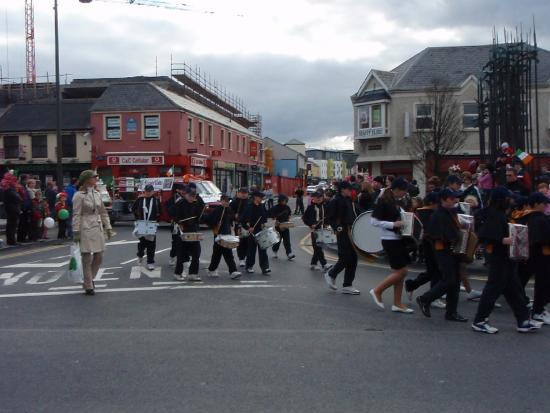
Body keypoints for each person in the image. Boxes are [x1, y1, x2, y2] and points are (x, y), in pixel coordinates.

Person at [471, 187, 542, 333]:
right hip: (498, 257)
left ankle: (523, 320)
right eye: (508, 198)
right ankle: (479, 320)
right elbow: (484, 235)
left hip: (505, 257)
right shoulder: (493, 214)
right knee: (493, 289)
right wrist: (503, 240)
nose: (511, 201)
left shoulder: (499, 213)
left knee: (514, 289)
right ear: (500, 200)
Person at [416, 188, 468, 322]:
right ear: (443, 200)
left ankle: (451, 312)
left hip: (452, 251)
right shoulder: (438, 214)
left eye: (455, 198)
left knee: (455, 282)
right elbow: (434, 235)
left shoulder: (450, 212)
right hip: (444, 252)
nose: (455, 200)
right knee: (449, 280)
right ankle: (424, 299)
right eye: (452, 199)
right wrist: (454, 237)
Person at [369, 178, 414, 313]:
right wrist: (393, 224)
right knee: (402, 271)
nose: (405, 193)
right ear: (397, 189)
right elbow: (373, 221)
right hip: (390, 239)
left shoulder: (395, 201)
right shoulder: (383, 200)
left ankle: (397, 303)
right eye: (404, 191)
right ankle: (377, 290)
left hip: (397, 238)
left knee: (400, 272)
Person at [72, 170, 113, 295]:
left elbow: (103, 212)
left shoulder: (97, 193)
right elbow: (76, 214)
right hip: (85, 226)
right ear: (86, 179)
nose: (96, 178)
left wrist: (108, 226)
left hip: (97, 226)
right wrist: (76, 231)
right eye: (94, 177)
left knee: (99, 256)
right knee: (86, 257)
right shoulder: (79, 195)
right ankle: (89, 285)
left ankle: (89, 279)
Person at [405, 192, 444, 308]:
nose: (439, 205)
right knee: (436, 270)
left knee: (433, 271)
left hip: (429, 245)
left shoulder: (425, 212)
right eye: (437, 203)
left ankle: (411, 285)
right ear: (432, 203)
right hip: (430, 245)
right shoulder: (425, 213)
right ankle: (432, 296)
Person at [324, 181, 361, 295]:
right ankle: (331, 274)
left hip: (351, 231)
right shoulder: (335, 201)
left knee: (354, 258)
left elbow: (356, 213)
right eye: (349, 189)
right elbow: (330, 217)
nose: (351, 191)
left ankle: (347, 285)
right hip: (342, 231)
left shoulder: (349, 200)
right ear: (342, 189)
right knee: (345, 257)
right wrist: (337, 227)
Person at [525, 192, 550, 325]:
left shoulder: (528, 217)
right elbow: (541, 238)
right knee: (543, 284)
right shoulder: (539, 219)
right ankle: (538, 312)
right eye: (544, 203)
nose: (546, 205)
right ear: (536, 204)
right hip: (541, 256)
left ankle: (536, 309)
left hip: (534, 255)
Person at [206, 194, 241, 279]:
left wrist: (235, 218)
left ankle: (214, 270)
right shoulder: (217, 210)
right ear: (221, 201)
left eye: (228, 201)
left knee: (221, 253)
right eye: (225, 201)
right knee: (223, 253)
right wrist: (215, 223)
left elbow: (231, 220)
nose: (227, 202)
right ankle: (231, 271)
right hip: (219, 234)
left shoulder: (229, 210)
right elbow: (208, 220)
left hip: (227, 234)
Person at [173, 185, 204, 282]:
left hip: (193, 230)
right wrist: (179, 222)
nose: (192, 197)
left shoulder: (196, 203)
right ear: (185, 194)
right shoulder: (180, 203)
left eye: (194, 196)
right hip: (183, 230)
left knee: (196, 253)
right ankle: (177, 273)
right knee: (181, 253)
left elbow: (200, 215)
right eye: (190, 195)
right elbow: (175, 216)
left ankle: (193, 274)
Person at [132, 184, 161, 271]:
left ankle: (150, 262)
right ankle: (140, 255)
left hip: (152, 224)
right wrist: (137, 219)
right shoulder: (140, 199)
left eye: (150, 191)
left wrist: (156, 221)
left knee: (151, 244)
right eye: (147, 191)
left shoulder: (156, 200)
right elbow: (133, 209)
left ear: (153, 191)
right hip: (142, 223)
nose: (148, 193)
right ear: (144, 191)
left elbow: (160, 211)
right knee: (142, 243)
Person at [241, 191, 270, 274]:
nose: (261, 199)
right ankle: (249, 266)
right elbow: (242, 220)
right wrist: (248, 228)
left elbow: (264, 218)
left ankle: (265, 268)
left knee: (263, 249)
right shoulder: (249, 207)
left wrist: (263, 224)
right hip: (252, 231)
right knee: (251, 250)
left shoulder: (262, 206)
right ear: (255, 197)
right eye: (260, 197)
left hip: (260, 230)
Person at [302, 190, 331, 271]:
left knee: (318, 247)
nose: (319, 199)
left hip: (323, 230)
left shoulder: (325, 206)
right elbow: (304, 218)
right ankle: (324, 264)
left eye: (320, 197)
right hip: (314, 230)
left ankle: (313, 264)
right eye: (317, 197)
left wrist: (326, 223)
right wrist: (310, 224)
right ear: (313, 198)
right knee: (317, 247)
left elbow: (328, 216)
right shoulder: (311, 207)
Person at [269, 194, 295, 260]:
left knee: (287, 240)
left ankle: (289, 253)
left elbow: (289, 214)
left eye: (286, 200)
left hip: (285, 225)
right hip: (278, 226)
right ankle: (275, 251)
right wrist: (276, 221)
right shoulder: (275, 208)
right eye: (283, 200)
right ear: (280, 200)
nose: (285, 202)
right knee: (278, 240)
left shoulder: (287, 207)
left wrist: (288, 220)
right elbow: (273, 217)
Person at [165, 182, 185, 267]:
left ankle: (184, 258)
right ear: (177, 190)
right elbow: (169, 209)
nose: (183, 191)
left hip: (184, 223)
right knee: (176, 241)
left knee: (185, 241)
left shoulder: (185, 197)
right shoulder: (173, 198)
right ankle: (172, 256)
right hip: (175, 223)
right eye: (182, 190)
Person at [230, 187, 250, 267]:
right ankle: (241, 258)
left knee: (248, 242)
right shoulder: (234, 202)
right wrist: (234, 216)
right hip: (239, 225)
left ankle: (246, 257)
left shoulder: (250, 202)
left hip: (248, 225)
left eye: (245, 193)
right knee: (240, 242)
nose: (243, 194)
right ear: (238, 193)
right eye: (242, 193)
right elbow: (229, 213)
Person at [1, 172, 23, 246]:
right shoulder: (10, 189)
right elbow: (18, 198)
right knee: (12, 226)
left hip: (11, 209)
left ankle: (11, 240)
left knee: (11, 226)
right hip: (13, 210)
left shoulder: (8, 189)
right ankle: (12, 241)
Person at [17, 174, 33, 243]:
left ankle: (23, 237)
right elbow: (22, 198)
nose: (27, 181)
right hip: (23, 208)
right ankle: (21, 238)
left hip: (26, 208)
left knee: (25, 224)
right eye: (27, 179)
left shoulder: (23, 186)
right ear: (24, 179)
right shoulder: (20, 187)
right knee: (22, 224)